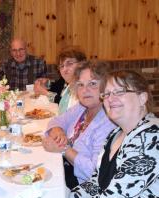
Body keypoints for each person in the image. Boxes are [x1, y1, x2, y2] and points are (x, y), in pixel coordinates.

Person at [68, 70, 159, 198]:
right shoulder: (115, 134)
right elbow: (96, 182)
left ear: (142, 98)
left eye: (120, 92)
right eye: (107, 94)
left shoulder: (151, 138)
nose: (110, 98)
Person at [43, 61, 116, 189]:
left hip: (82, 188)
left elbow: (94, 173)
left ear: (105, 86)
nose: (85, 90)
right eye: (80, 85)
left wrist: (64, 149)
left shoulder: (108, 122)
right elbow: (56, 121)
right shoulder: (82, 107)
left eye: (92, 84)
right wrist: (58, 131)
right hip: (66, 169)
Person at [34, 46, 86, 111]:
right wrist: (47, 83)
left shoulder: (84, 90)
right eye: (61, 66)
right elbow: (57, 87)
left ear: (82, 64)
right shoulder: (70, 86)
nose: (64, 69)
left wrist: (46, 93)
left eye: (69, 64)